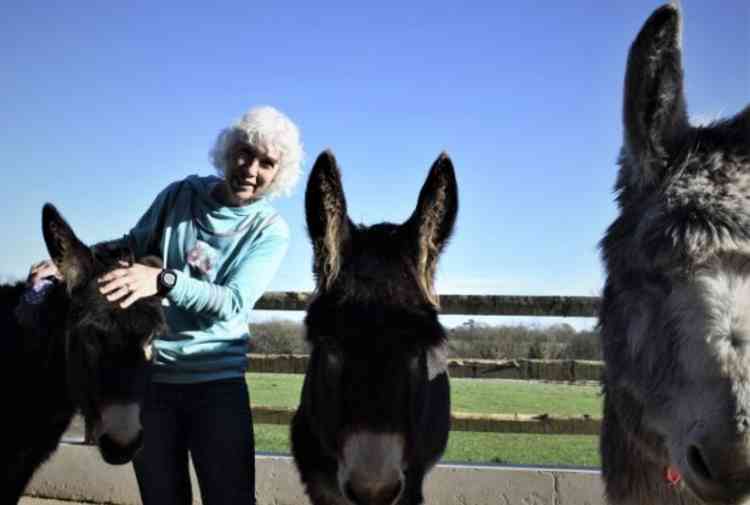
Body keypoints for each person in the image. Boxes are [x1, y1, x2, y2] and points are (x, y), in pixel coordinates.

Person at [28, 105, 304, 505]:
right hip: (154, 383)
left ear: (279, 173)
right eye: (245, 152)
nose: (251, 168)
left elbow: (234, 301)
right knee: (161, 498)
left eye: (267, 162)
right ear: (227, 151)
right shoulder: (180, 195)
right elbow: (132, 244)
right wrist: (71, 262)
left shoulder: (269, 230)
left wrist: (163, 280)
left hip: (217, 388)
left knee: (230, 499)